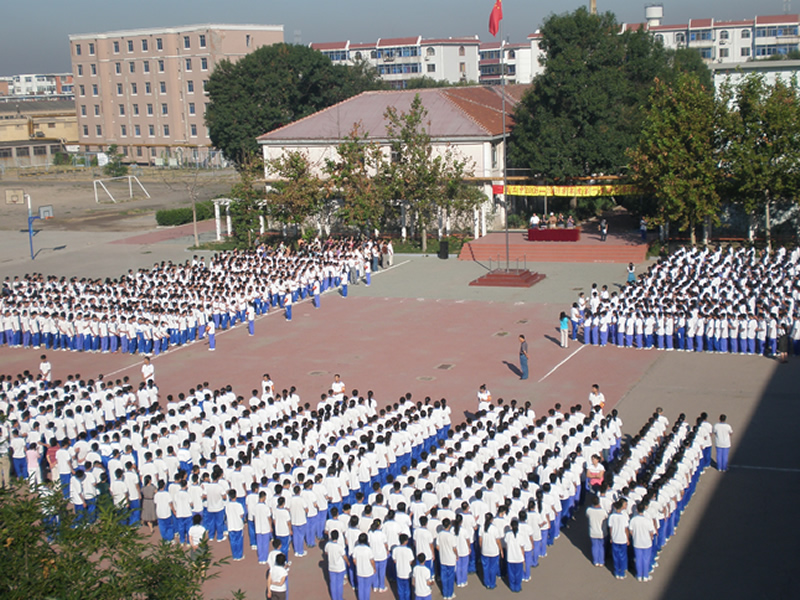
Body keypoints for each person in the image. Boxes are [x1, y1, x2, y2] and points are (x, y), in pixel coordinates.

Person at [630, 502, 655, 582]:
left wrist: (635, 536)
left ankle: (639, 575)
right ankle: (645, 575)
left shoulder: (633, 520)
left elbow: (631, 530)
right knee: (646, 559)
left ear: (637, 510)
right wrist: (650, 538)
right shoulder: (647, 520)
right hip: (647, 542)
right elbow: (651, 532)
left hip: (637, 542)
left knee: (638, 558)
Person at [608, 499, 630, 580]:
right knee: (623, 556)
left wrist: (611, 537)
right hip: (623, 539)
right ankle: (622, 572)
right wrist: (627, 539)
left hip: (615, 538)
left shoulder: (612, 516)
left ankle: (617, 571)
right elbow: (626, 529)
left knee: (616, 556)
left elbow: (610, 528)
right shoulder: (624, 517)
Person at [352, 532, 375, 600]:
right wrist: (374, 568)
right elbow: (372, 561)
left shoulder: (356, 549)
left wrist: (358, 565)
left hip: (359, 571)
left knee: (360, 587)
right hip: (368, 571)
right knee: (367, 587)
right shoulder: (369, 550)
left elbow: (354, 560)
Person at [325, 529, 347, 600]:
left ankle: (334, 598)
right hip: (340, 567)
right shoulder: (339, 546)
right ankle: (339, 598)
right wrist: (348, 563)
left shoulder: (328, 545)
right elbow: (344, 556)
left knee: (333, 583)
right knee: (339, 584)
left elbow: (326, 552)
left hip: (331, 567)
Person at [586, 496, 607, 567]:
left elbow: (587, 515)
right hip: (601, 532)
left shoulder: (589, 510)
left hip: (593, 531)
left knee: (594, 546)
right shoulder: (603, 511)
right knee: (601, 546)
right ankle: (601, 561)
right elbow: (606, 517)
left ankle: (595, 561)